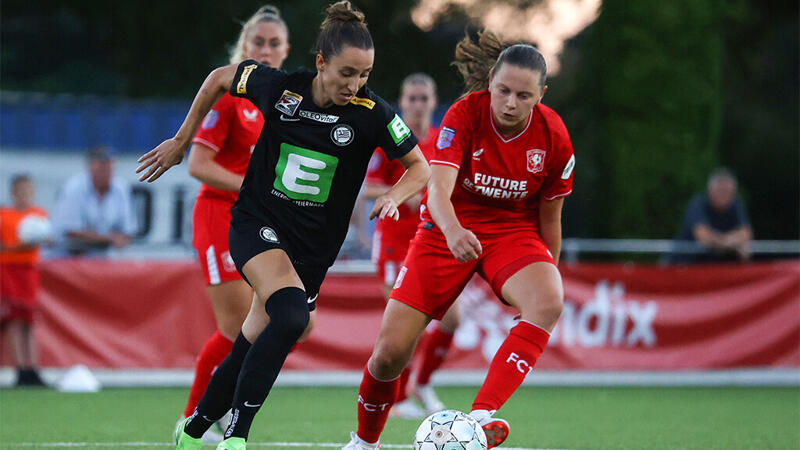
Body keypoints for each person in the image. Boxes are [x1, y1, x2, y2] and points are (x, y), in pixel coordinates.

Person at [136, 2, 430, 449]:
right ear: (320, 62)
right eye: (346, 73)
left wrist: (395, 194)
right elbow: (219, 77)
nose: (355, 85)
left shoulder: (372, 112)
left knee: (250, 340)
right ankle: (237, 436)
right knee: (291, 316)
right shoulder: (280, 88)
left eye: (364, 75)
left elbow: (420, 168)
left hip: (311, 252)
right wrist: (181, 141)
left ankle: (192, 430)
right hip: (256, 224)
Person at [345, 30, 575, 449]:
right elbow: (436, 189)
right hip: (445, 228)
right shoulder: (464, 114)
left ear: (542, 93)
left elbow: (550, 218)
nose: (510, 103)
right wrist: (452, 231)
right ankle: (363, 443)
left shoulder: (555, 137)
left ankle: (480, 418)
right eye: (503, 90)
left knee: (549, 301)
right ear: (490, 80)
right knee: (388, 355)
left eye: (523, 96)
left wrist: (545, 277)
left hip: (512, 231)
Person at [177, 5, 300, 444]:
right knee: (235, 328)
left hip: (257, 225)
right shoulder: (231, 97)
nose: (265, 51)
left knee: (276, 322)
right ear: (244, 47)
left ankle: (212, 412)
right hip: (219, 217)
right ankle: (195, 417)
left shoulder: (288, 102)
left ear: (286, 51)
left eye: (273, 44)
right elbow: (199, 165)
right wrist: (255, 189)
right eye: (257, 43)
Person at [363, 73, 456, 418]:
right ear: (402, 102)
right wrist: (406, 197)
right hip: (393, 243)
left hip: (432, 243)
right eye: (412, 99)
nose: (418, 105)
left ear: (434, 102)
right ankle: (398, 397)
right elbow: (369, 187)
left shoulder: (444, 143)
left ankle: (424, 382)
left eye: (424, 98)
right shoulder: (392, 139)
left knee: (452, 320)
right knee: (405, 324)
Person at [0, 174, 50, 386]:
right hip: (8, 271)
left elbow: (46, 238)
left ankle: (32, 368)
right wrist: (21, 246)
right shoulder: (4, 216)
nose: (24, 196)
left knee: (29, 320)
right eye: (20, 191)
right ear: (13, 193)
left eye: (28, 191)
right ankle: (20, 369)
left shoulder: (38, 215)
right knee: (14, 320)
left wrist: (42, 239)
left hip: (29, 272)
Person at [50, 146, 137, 258]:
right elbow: (71, 231)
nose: (106, 170)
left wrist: (118, 238)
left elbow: (128, 230)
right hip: (65, 259)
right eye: (101, 165)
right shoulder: (74, 188)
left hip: (99, 260)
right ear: (90, 167)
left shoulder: (121, 188)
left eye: (109, 165)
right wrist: (110, 238)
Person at [673, 168, 752, 263]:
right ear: (710, 191)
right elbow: (702, 234)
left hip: (714, 266)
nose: (725, 196)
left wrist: (724, 242)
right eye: (721, 191)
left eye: (729, 192)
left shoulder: (736, 204)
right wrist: (728, 242)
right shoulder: (698, 203)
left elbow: (745, 233)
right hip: (683, 264)